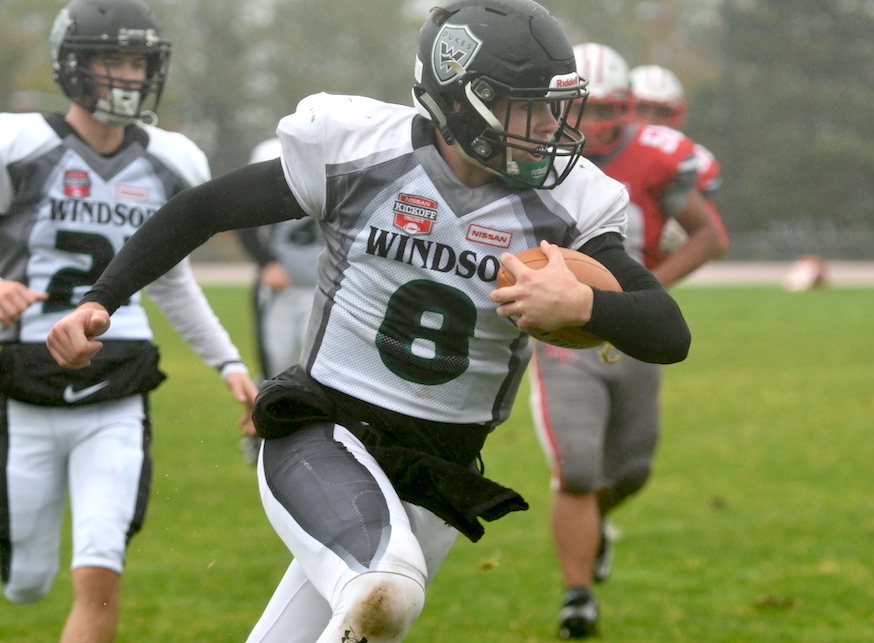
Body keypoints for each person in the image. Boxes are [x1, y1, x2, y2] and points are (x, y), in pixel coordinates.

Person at [45, 2, 692, 641]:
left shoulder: (571, 200)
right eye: (532, 104)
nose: (552, 125)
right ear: (467, 102)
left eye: (556, 104)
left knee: (355, 613)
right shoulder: (362, 150)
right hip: (324, 430)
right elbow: (203, 209)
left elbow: (667, 331)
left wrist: (585, 306)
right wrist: (103, 297)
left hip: (442, 469)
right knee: (386, 589)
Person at [0, 1, 258, 641]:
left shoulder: (174, 161)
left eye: (137, 61)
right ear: (73, 66)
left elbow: (171, 280)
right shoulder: (17, 144)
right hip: (19, 389)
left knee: (100, 571)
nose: (126, 75)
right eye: (111, 59)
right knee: (26, 580)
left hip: (117, 385)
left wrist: (227, 362)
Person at [529, 43, 730, 639]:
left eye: (606, 108)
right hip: (564, 334)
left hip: (631, 336)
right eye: (583, 110)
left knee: (634, 469)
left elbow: (709, 235)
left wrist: (643, 301)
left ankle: (594, 530)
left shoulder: (655, 157)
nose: (591, 123)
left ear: (627, 106)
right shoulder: (530, 156)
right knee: (579, 468)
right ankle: (578, 597)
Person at [234, 137, 324, 465]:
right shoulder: (266, 194)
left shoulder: (331, 183)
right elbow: (242, 225)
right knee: (275, 365)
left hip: (322, 289)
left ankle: (317, 441)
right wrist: (266, 263)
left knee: (319, 369)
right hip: (279, 292)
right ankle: (259, 434)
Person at [629, 63, 730, 254]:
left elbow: (718, 241)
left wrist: (684, 234)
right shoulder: (606, 148)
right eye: (642, 109)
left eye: (662, 112)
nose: (651, 120)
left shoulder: (686, 158)